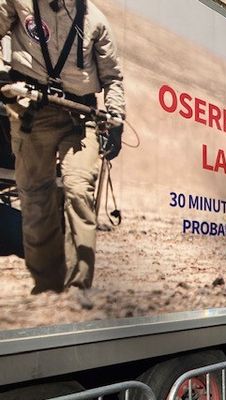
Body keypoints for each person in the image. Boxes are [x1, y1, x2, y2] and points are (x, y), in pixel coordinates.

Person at [0, 0, 125, 306]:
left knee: (78, 188)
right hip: (31, 110)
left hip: (79, 118)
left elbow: (112, 78)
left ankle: (78, 287)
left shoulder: (96, 21)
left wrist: (116, 118)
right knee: (35, 195)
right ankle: (47, 286)